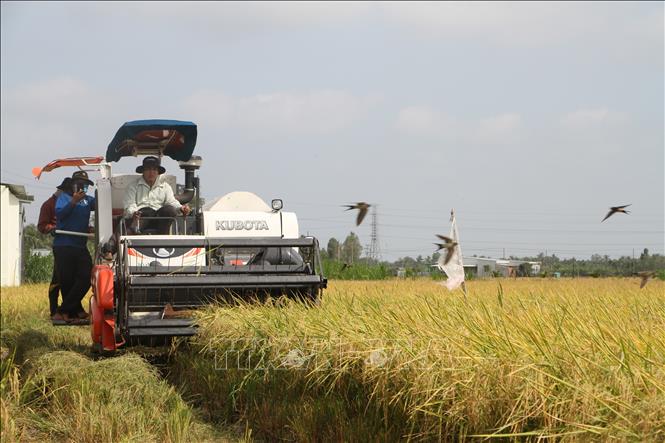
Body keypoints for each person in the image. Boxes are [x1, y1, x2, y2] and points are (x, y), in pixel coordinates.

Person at [51, 171, 95, 324]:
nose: (83, 187)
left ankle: (63, 311)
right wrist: (73, 202)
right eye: (80, 184)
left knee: (87, 276)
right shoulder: (64, 198)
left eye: (86, 185)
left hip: (79, 245)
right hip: (63, 245)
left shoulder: (89, 201)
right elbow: (60, 215)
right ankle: (74, 312)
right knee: (67, 281)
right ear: (73, 184)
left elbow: (103, 206)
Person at [123, 156, 191, 234]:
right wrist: (134, 213)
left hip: (159, 221)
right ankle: (131, 232)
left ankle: (162, 239)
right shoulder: (133, 186)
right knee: (147, 211)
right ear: (143, 171)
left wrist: (181, 208)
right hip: (139, 219)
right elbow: (130, 205)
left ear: (158, 172)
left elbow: (171, 202)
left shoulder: (165, 187)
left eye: (154, 169)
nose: (151, 172)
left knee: (169, 210)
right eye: (148, 169)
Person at [37, 177, 71, 319]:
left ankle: (67, 310)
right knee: (58, 279)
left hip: (73, 245)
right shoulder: (48, 205)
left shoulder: (71, 203)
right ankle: (54, 310)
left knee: (71, 279)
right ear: (63, 191)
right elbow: (41, 226)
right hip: (60, 246)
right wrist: (53, 228)